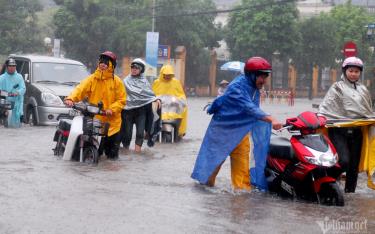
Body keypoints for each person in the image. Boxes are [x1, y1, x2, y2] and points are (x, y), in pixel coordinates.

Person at [191, 57, 282, 191]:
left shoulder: (255, 88)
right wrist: (271, 119)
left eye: (265, 77)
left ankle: (240, 205)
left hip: (241, 133)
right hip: (222, 133)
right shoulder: (236, 87)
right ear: (252, 75)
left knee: (242, 181)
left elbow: (252, 111)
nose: (264, 81)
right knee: (209, 176)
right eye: (261, 77)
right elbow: (250, 108)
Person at [319, 56, 374, 193]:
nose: (354, 74)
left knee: (353, 167)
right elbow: (326, 107)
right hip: (338, 130)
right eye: (351, 70)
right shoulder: (336, 87)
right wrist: (320, 117)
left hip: (357, 131)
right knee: (343, 161)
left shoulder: (363, 90)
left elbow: (368, 111)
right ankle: (327, 183)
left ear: (360, 73)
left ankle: (350, 193)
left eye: (356, 71)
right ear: (345, 71)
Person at [64, 51, 126, 160]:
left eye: (106, 62)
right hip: (95, 121)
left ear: (112, 65)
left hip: (113, 124)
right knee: (94, 151)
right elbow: (80, 89)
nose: (103, 64)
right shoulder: (92, 79)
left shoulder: (117, 82)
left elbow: (121, 100)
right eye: (101, 61)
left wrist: (112, 109)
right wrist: (70, 98)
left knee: (112, 158)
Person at [120, 58, 160, 153]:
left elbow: (150, 96)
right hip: (127, 112)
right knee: (127, 134)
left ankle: (137, 154)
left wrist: (157, 99)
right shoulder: (125, 81)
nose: (134, 69)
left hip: (141, 112)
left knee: (140, 134)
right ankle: (126, 152)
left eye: (137, 67)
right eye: (132, 67)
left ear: (141, 69)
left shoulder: (145, 82)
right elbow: (120, 94)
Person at [152, 64, 188, 139]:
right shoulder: (157, 82)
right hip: (160, 107)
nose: (168, 76)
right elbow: (152, 94)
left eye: (170, 75)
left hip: (172, 107)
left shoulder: (176, 82)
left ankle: (180, 132)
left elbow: (181, 95)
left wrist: (180, 101)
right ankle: (149, 131)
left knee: (184, 109)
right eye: (166, 75)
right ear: (162, 74)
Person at [0, 58, 26, 128]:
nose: (12, 68)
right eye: (10, 66)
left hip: (17, 103)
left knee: (18, 122)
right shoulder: (2, 78)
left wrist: (18, 92)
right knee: (5, 121)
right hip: (5, 103)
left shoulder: (19, 77)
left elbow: (23, 88)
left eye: (13, 66)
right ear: (7, 67)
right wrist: (3, 93)